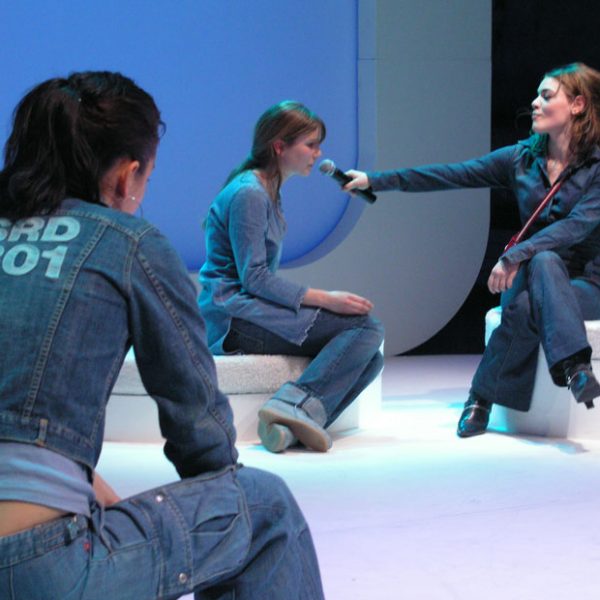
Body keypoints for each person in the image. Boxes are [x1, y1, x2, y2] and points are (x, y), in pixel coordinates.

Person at [0, 72, 325, 599]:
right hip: (33, 569)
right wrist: (220, 494)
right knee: (262, 506)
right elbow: (200, 432)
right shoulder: (130, 243)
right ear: (127, 176)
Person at [343, 62, 600, 437]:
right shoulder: (520, 159)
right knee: (539, 272)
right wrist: (375, 180)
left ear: (577, 105)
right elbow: (452, 174)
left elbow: (576, 226)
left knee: (534, 282)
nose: (534, 103)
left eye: (546, 96)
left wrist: (516, 254)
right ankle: (576, 369)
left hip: (584, 285)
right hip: (528, 278)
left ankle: (481, 397)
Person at [199, 101, 384, 453]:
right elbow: (254, 278)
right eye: (310, 144)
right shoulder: (250, 193)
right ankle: (293, 406)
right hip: (232, 319)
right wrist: (327, 299)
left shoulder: (267, 189)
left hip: (246, 311)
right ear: (279, 147)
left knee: (370, 359)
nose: (318, 153)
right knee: (367, 329)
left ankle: (288, 430)